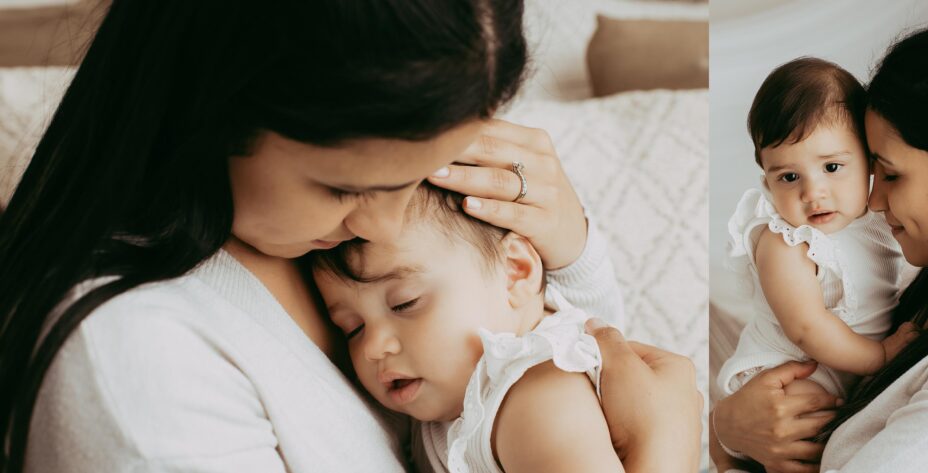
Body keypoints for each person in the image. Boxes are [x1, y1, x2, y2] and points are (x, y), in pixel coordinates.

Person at [0, 1, 703, 472]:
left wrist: (573, 258)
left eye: (421, 173)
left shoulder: (312, 247)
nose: (380, 226)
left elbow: (563, 375)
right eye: (345, 188)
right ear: (212, 107)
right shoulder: (136, 364)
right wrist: (663, 451)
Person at [712, 16, 928, 473]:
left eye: (891, 175)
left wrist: (726, 446)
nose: (873, 202)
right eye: (789, 175)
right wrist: (728, 428)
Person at [310, 184, 625, 472]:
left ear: (515, 271)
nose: (373, 347)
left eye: (405, 303)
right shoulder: (461, 396)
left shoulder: (539, 400)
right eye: (352, 328)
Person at [717, 57, 915, 407]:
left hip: (849, 370)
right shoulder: (784, 242)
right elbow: (806, 328)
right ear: (767, 182)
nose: (812, 193)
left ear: (870, 161)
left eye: (832, 167)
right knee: (804, 409)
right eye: (789, 177)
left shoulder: (879, 218)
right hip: (794, 370)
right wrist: (880, 357)